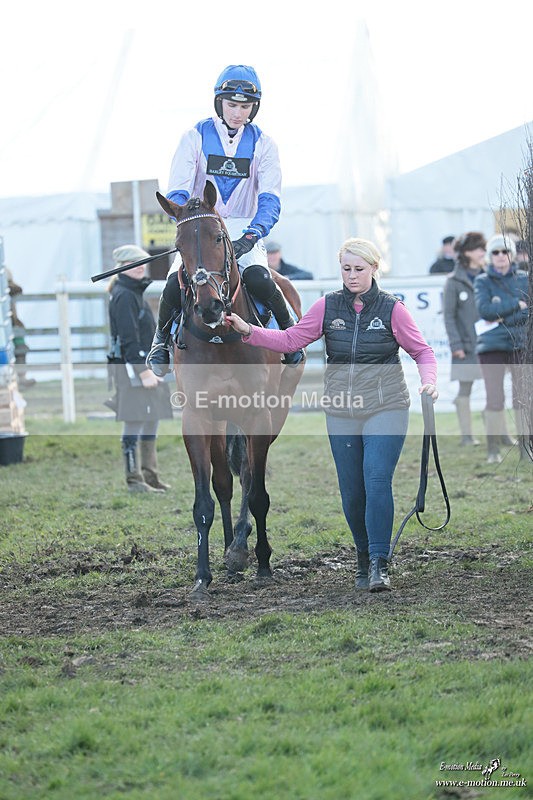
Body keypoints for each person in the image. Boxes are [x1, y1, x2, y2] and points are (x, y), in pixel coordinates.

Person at [226, 237, 438, 593]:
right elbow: (292, 340)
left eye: (359, 269)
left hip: (386, 407)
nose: (352, 276)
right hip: (341, 410)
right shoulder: (327, 307)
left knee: (375, 481)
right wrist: (250, 331)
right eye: (346, 269)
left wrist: (429, 381)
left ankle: (379, 563)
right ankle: (361, 556)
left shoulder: (392, 309)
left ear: (373, 268)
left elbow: (423, 352)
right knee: (352, 492)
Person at [146, 64, 303, 376]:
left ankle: (290, 337)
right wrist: (183, 217)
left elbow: (270, 198)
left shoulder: (265, 144)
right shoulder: (193, 137)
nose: (237, 113)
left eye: (245, 107)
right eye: (232, 105)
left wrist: (253, 234)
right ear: (220, 103)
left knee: (259, 277)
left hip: (244, 227)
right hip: (201, 224)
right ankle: (160, 341)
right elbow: (178, 188)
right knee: (172, 285)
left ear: (253, 109)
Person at [108, 245, 173, 492]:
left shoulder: (132, 292)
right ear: (123, 266)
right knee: (135, 421)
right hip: (132, 369)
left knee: (151, 418)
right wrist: (142, 371)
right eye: (135, 263)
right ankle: (134, 479)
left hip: (145, 366)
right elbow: (128, 338)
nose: (141, 267)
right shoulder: (124, 294)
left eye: (143, 262)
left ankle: (149, 474)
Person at [474, 233, 529, 463]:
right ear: (489, 256)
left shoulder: (525, 279)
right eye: (495, 252)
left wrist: (502, 315)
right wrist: (516, 305)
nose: (500, 256)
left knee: (523, 398)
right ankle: (493, 449)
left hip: (520, 343)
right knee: (494, 399)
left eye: (504, 251)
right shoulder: (482, 281)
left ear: (512, 255)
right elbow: (485, 311)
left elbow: (529, 313)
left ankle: (526, 448)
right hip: (492, 345)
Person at [442, 232, 486, 445]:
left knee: (494, 388)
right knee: (465, 388)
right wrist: (456, 345)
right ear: (467, 252)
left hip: (490, 344)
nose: (483, 253)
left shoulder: (489, 277)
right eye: (479, 248)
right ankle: (467, 436)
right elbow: (448, 316)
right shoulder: (453, 282)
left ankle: (501, 435)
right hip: (466, 346)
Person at [6, 268, 36, 388]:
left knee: (20, 347)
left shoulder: (4, 271)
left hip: (12, 323)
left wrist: (5, 287)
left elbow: (17, 289)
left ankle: (21, 377)